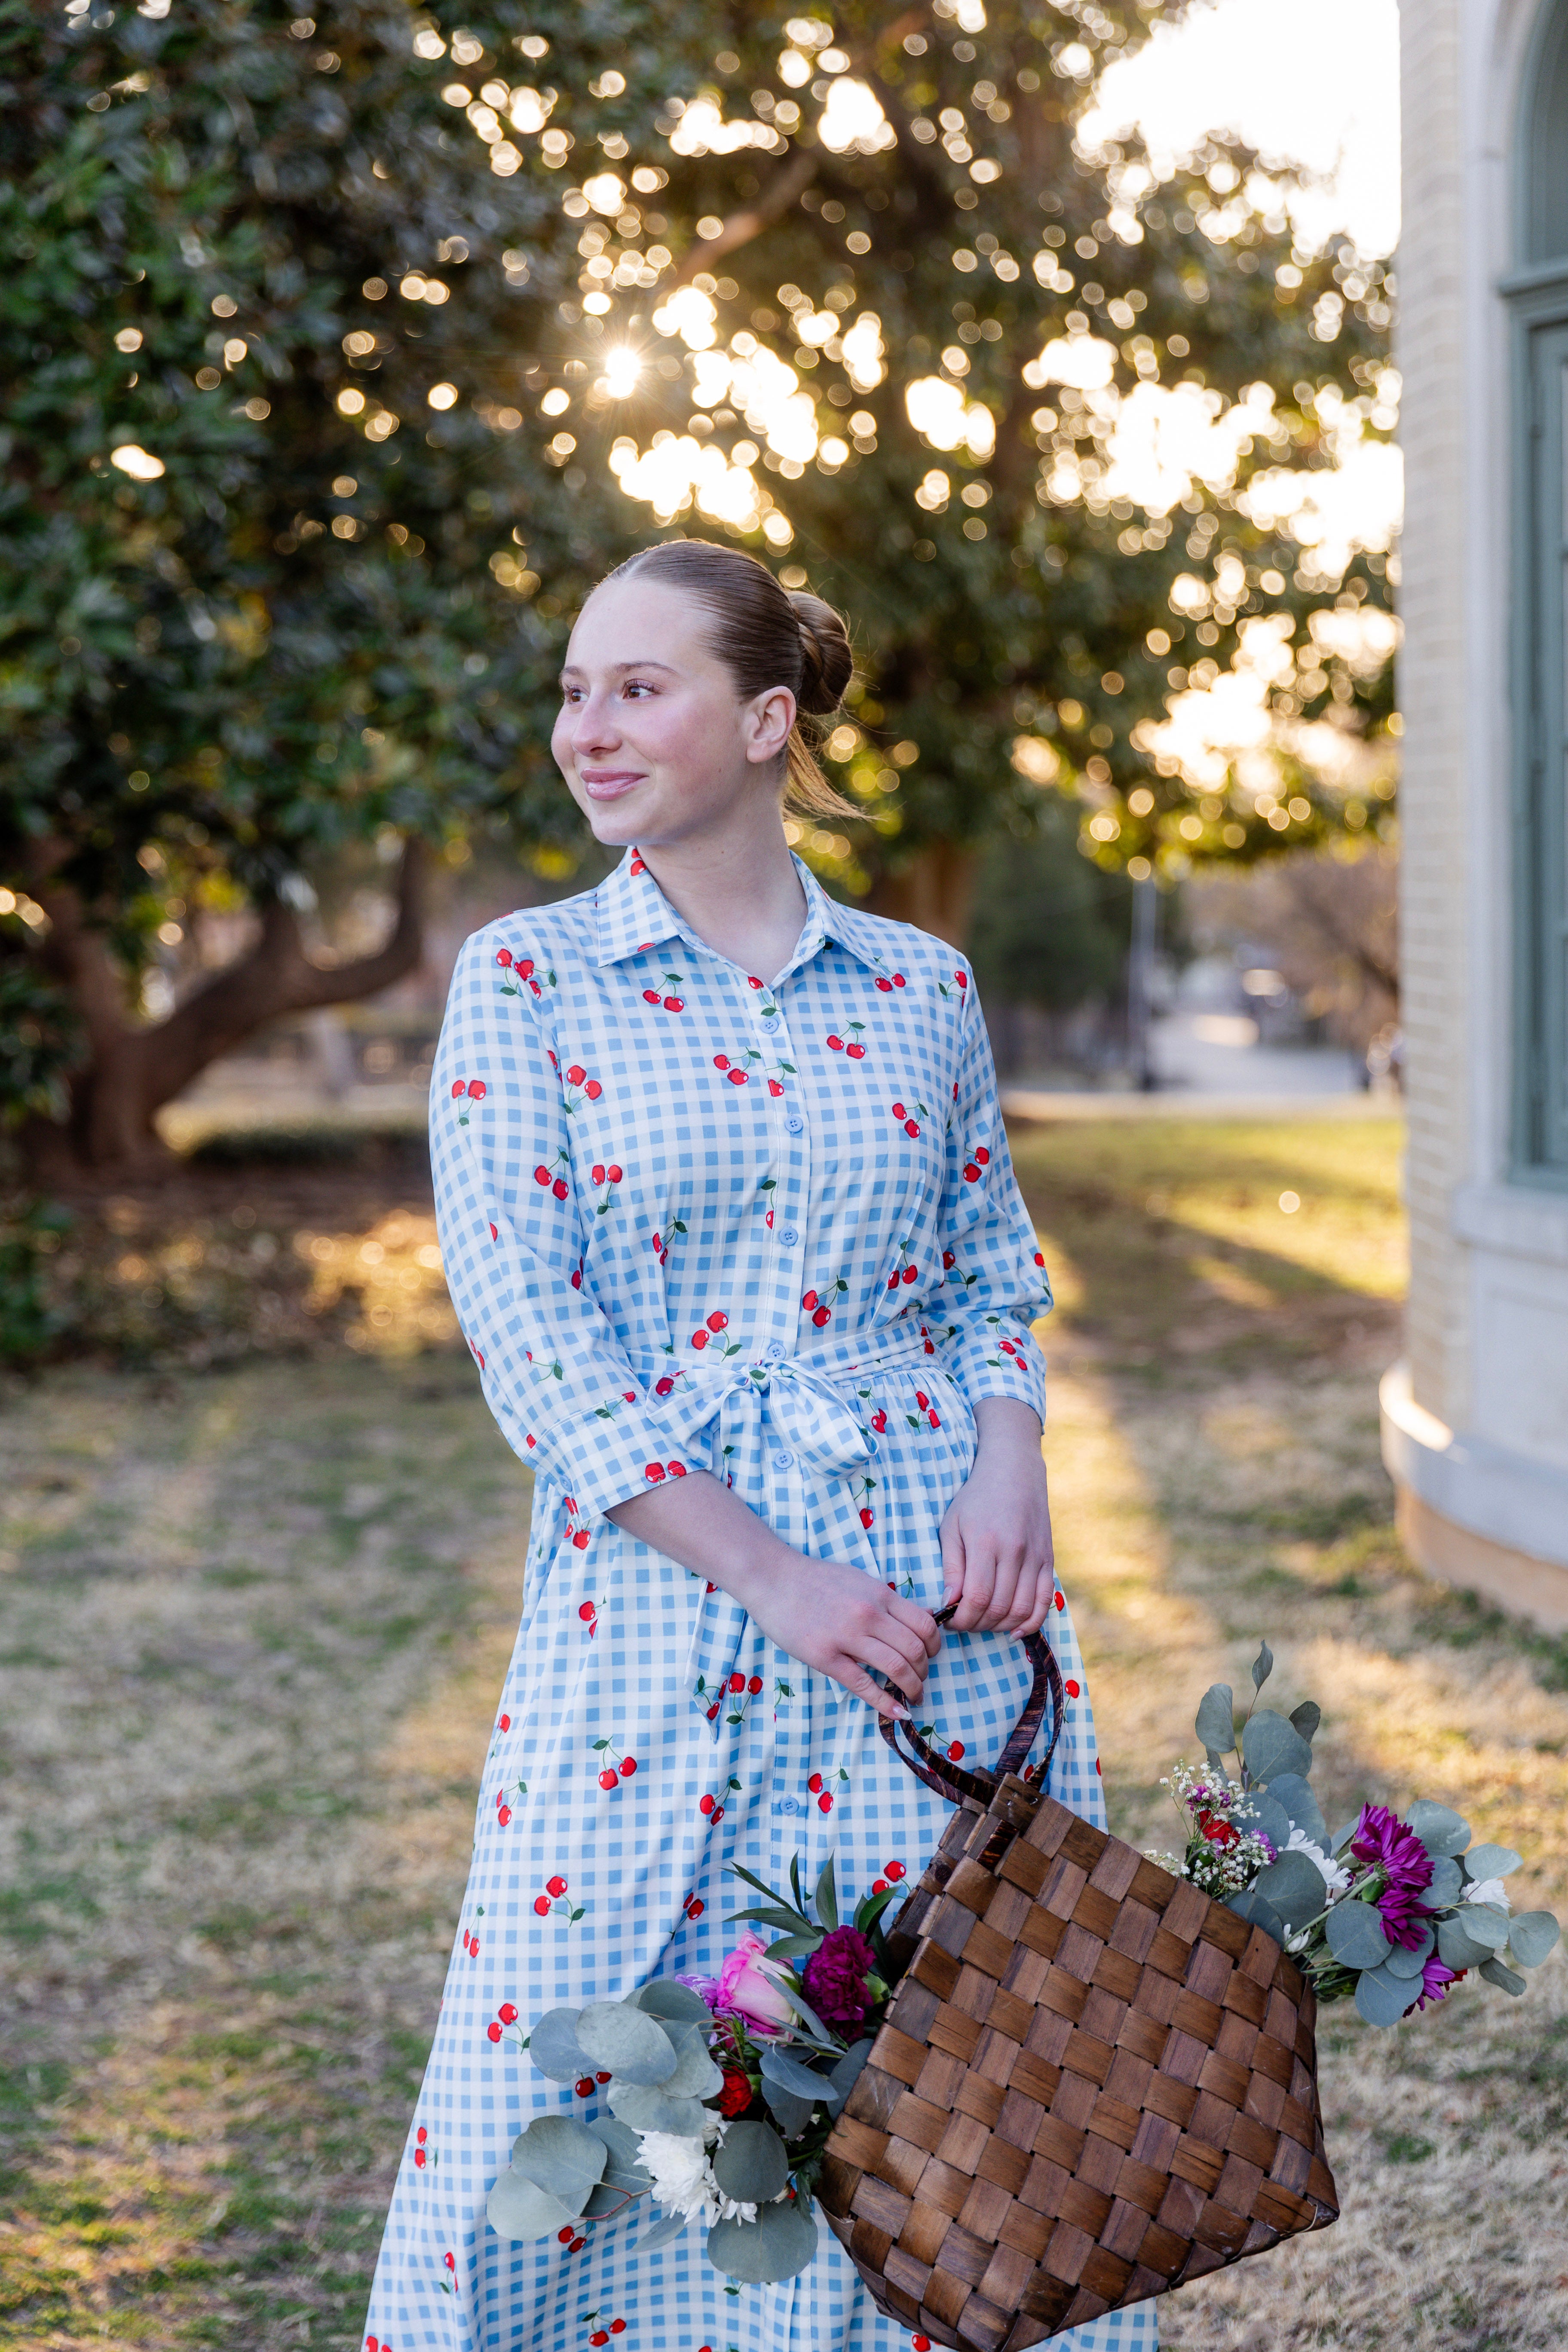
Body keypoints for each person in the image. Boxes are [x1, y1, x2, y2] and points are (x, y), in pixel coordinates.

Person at [364, 539, 1154, 2352]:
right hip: (669, 1597)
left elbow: (984, 1273)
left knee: (947, 2061)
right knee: (606, 2034)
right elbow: (535, 1336)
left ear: (766, 718)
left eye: (638, 687)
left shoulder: (919, 989)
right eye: (575, 689)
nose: (588, 726)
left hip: (926, 1618)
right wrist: (772, 1575)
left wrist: (1009, 1460)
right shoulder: (530, 982)